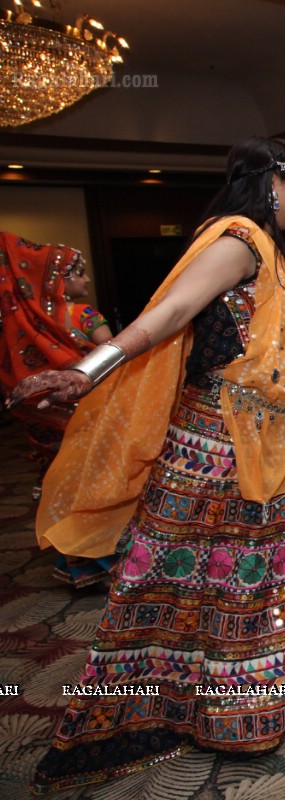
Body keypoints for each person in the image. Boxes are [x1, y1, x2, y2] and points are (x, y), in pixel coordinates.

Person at [10, 138, 285, 794]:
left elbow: (271, 355)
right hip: (221, 445)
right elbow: (172, 313)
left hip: (276, 440)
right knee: (205, 574)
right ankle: (167, 709)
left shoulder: (267, 250)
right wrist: (86, 368)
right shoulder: (238, 239)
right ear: (273, 181)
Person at [0, 234, 118, 588]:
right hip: (88, 412)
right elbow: (109, 356)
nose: (87, 281)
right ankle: (105, 556)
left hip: (47, 421)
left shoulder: (23, 326)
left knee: (62, 483)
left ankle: (77, 566)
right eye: (80, 274)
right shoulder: (84, 314)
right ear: (60, 279)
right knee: (96, 482)